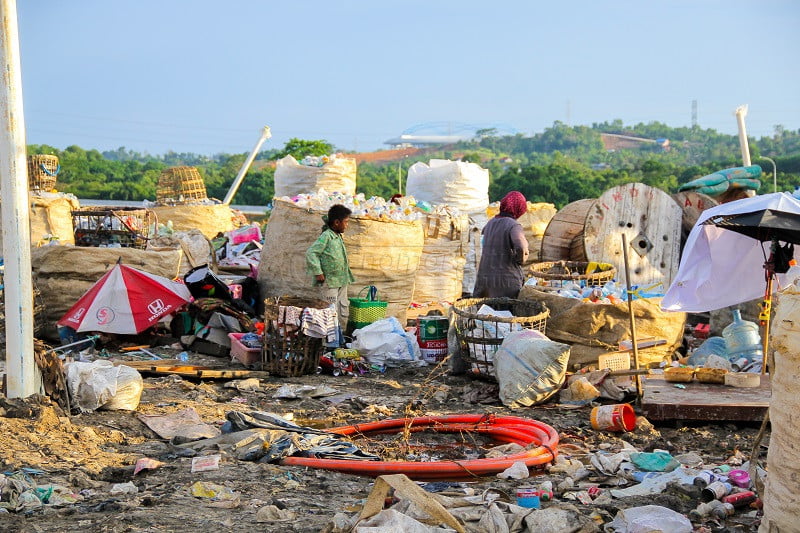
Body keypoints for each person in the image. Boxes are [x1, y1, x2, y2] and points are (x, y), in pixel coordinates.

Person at [305, 204, 355, 334]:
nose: (347, 225)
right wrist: (318, 272)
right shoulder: (326, 236)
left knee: (342, 310)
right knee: (330, 311)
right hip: (330, 281)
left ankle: (341, 336)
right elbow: (311, 253)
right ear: (337, 222)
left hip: (342, 280)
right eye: (346, 222)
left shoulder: (337, 236)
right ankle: (328, 341)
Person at [473, 191, 529, 298]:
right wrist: (520, 260)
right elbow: (521, 247)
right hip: (505, 281)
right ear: (519, 208)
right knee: (506, 313)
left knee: (486, 312)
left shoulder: (490, 223)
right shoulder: (513, 225)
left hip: (484, 280)